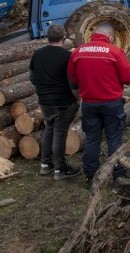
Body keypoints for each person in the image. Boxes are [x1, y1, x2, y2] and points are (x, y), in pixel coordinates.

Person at [67, 21, 130, 190]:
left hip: (89, 103)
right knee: (114, 140)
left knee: (92, 140)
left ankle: (91, 178)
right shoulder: (115, 52)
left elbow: (73, 79)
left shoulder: (77, 52)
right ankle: (118, 178)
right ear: (110, 36)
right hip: (112, 103)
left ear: (94, 33)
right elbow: (128, 77)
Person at [30, 24, 81, 180]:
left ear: (47, 37)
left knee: (49, 129)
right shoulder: (67, 56)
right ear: (64, 38)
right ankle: (60, 169)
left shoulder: (37, 54)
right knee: (59, 133)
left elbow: (33, 79)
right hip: (62, 102)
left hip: (44, 101)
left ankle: (45, 164)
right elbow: (72, 83)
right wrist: (77, 98)